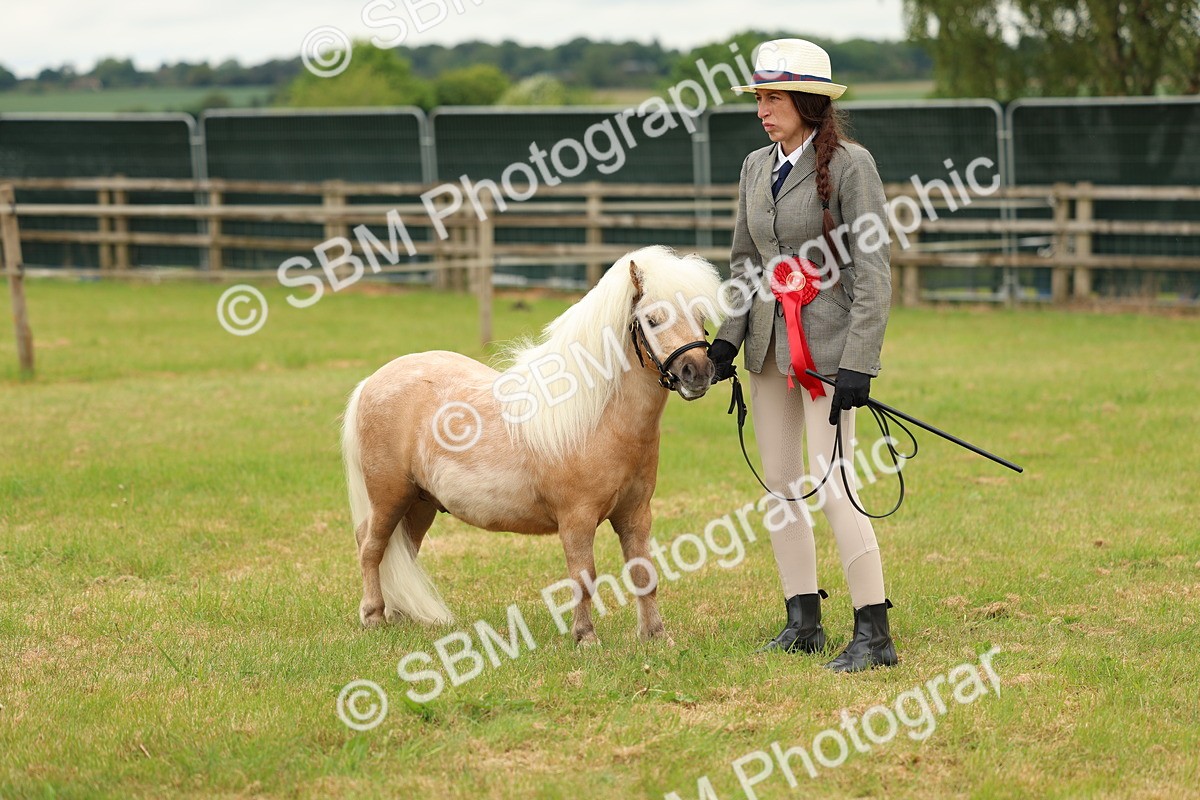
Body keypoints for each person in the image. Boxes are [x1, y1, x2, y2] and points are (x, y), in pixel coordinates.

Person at [707, 38, 896, 672]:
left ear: (807, 102)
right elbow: (745, 260)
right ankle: (803, 620)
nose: (762, 110)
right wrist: (728, 337)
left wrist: (861, 361)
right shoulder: (754, 166)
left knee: (835, 487)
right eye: (759, 98)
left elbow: (874, 269)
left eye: (773, 98)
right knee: (780, 487)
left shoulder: (851, 164)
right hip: (767, 349)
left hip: (829, 355)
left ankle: (874, 633)